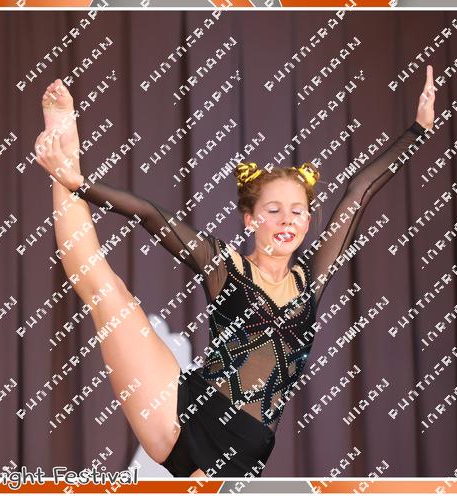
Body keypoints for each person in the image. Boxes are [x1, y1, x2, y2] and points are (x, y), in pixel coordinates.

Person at [34, 65, 435, 478]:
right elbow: (150, 214)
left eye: (297, 211)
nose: (286, 219)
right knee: (106, 290)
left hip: (241, 450)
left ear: (308, 223)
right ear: (250, 220)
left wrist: (418, 130)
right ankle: (64, 153)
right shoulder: (224, 265)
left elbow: (359, 192)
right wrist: (79, 183)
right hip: (179, 410)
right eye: (273, 210)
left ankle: (66, 170)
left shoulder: (310, 280)